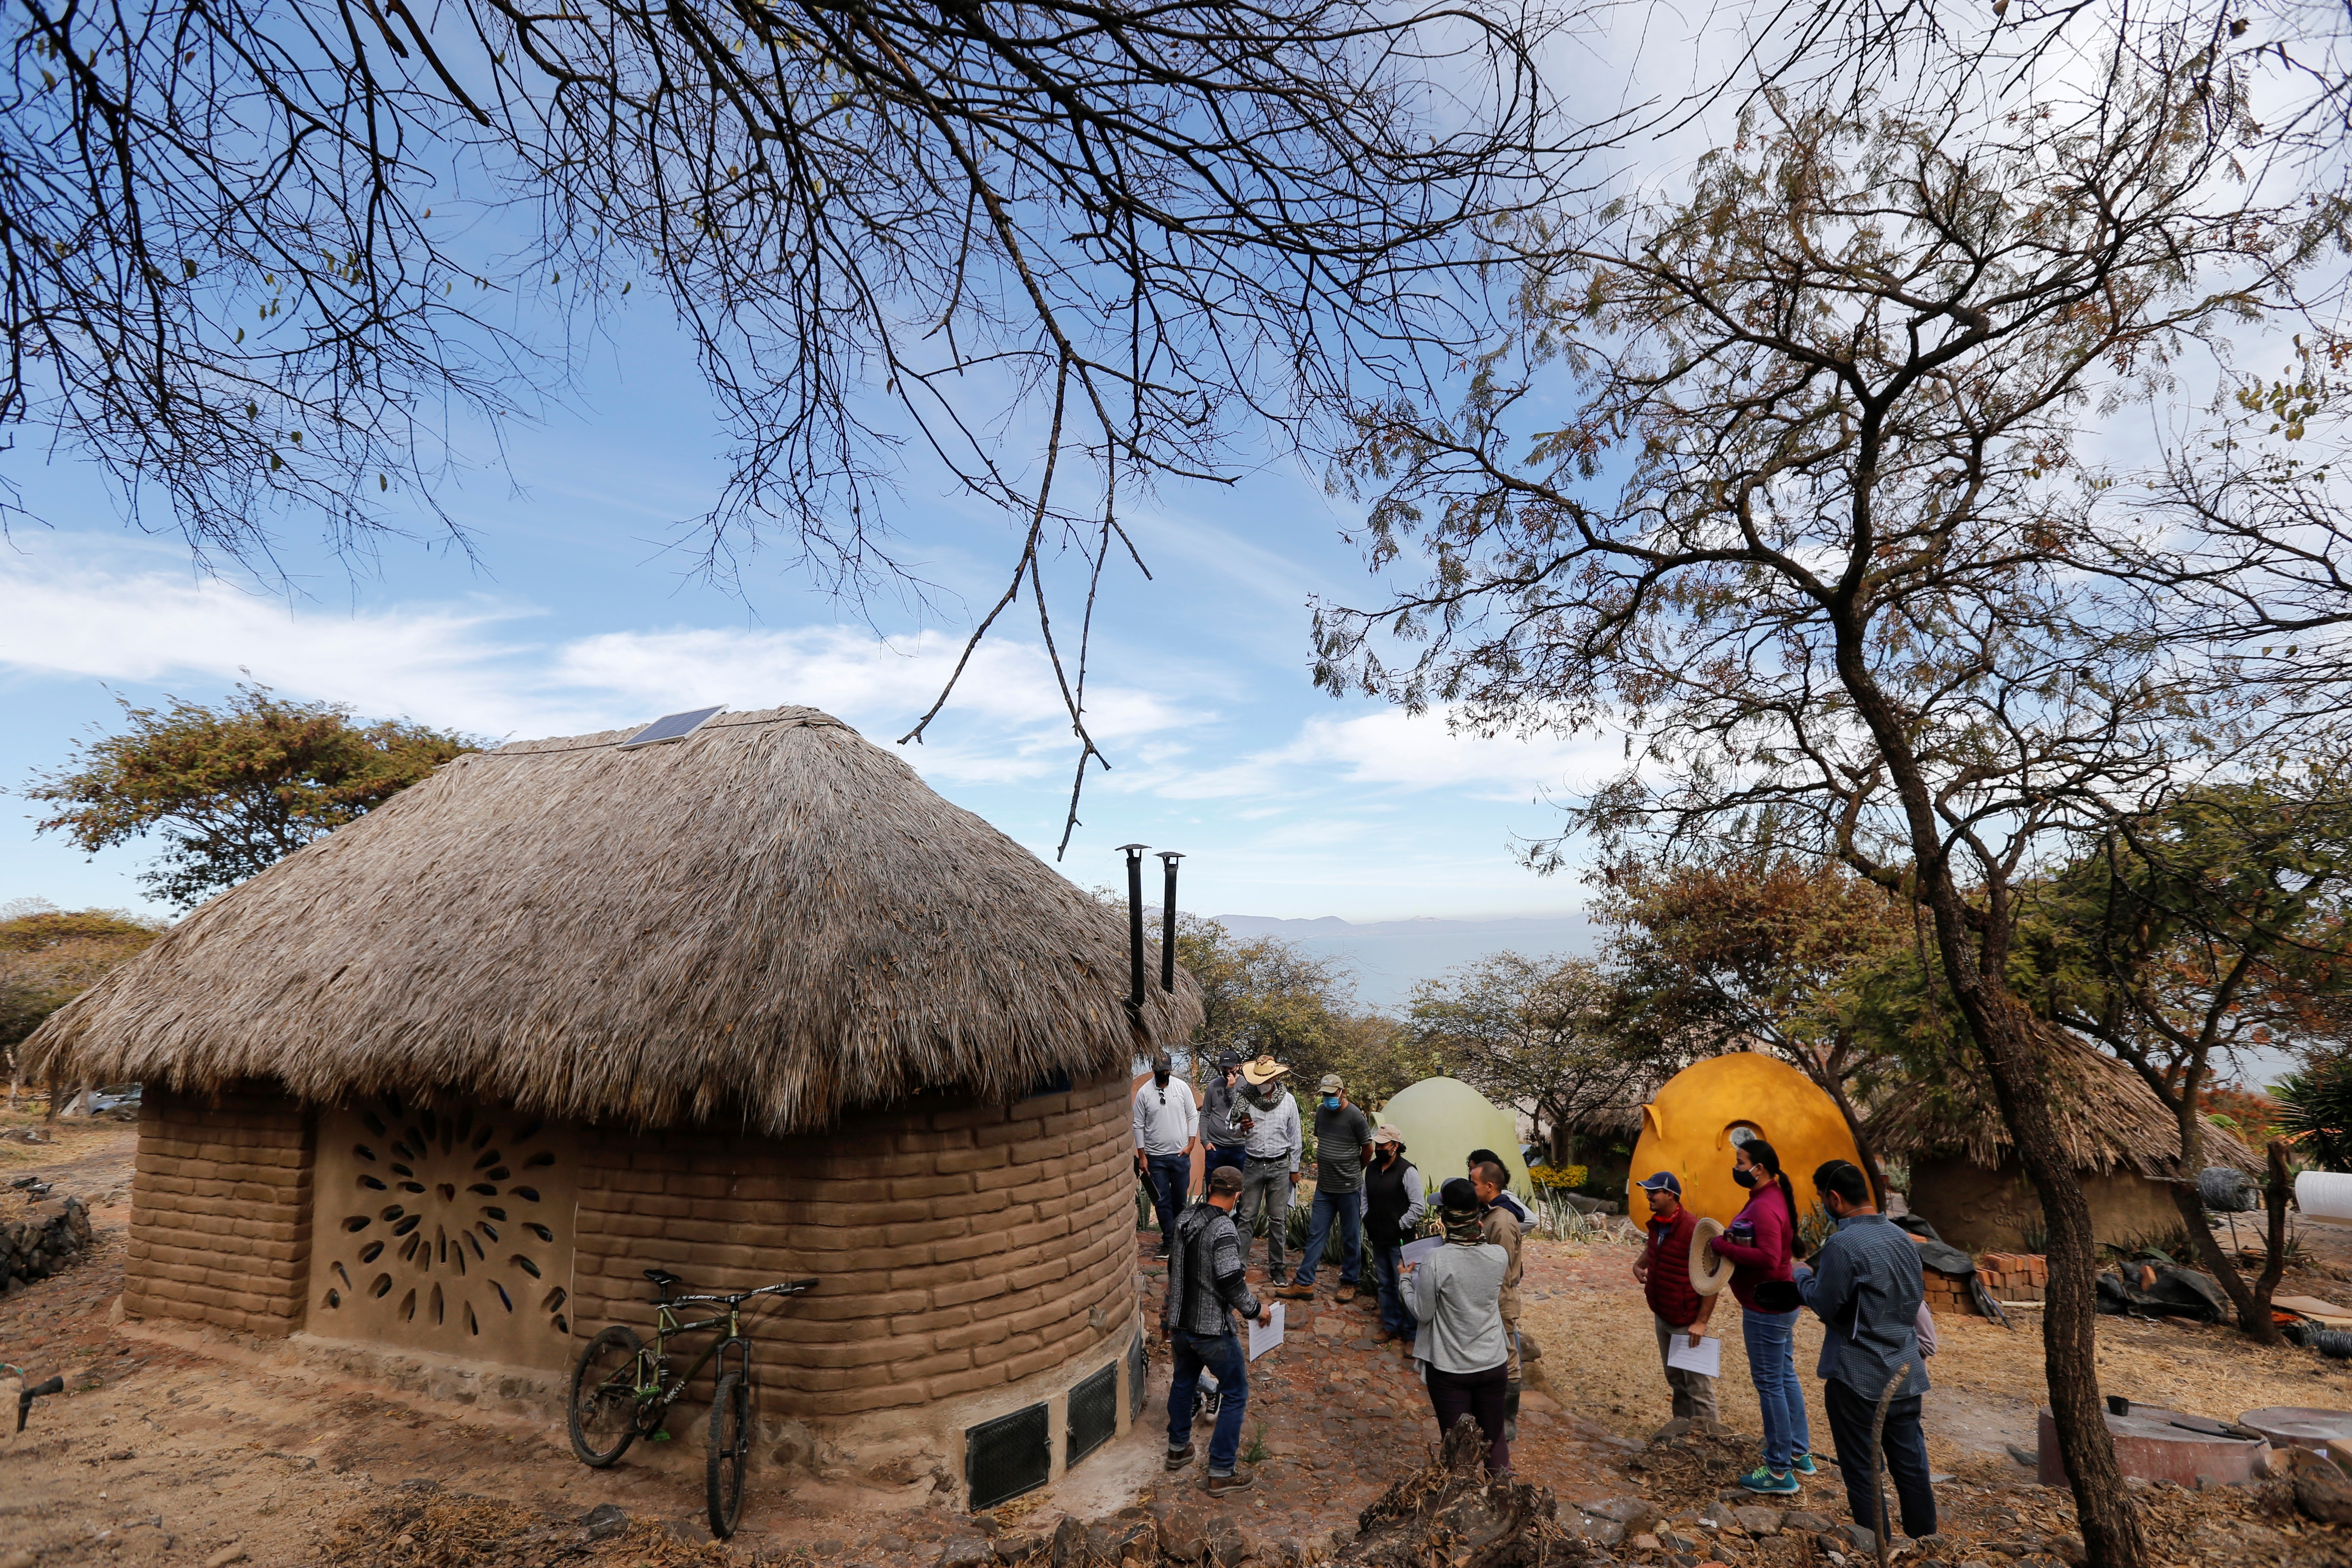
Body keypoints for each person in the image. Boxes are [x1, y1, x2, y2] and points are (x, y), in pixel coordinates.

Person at [1795, 1159, 1937, 1545]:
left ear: (1834, 1198)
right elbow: (1915, 1301)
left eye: (1823, 1197)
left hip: (1858, 1376)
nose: (1824, 1204)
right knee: (1911, 1466)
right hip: (1906, 1371)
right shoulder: (1902, 1239)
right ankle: (1928, 1545)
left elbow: (1825, 1303)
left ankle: (1878, 1547)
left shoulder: (1843, 1244)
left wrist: (1802, 1279)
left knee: (1861, 1469)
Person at [1707, 1136, 1814, 1495]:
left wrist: (1722, 1245)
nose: (1736, 1168)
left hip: (1766, 1307)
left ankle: (1779, 1470)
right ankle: (1799, 1453)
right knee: (1784, 1377)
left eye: (1740, 1162)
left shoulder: (1766, 1206)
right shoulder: (1770, 1198)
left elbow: (1768, 1257)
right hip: (1780, 1301)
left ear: (1759, 1168)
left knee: (1771, 1384)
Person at [1164, 1163, 1276, 1496]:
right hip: (1211, 1329)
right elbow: (1230, 1280)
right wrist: (1258, 1311)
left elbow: (1173, 1268)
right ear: (1238, 1195)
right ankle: (1221, 1471)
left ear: (1211, 1188)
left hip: (1181, 1324)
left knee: (1183, 1382)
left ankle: (1178, 1449)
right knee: (1237, 1391)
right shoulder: (1224, 1229)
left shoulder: (1185, 1218)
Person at [1407, 1177, 1512, 1473]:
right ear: (1476, 1215)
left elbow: (1423, 1313)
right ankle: (1504, 1499)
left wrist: (1405, 1280)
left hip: (1451, 1368)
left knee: (1458, 1449)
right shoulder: (1498, 1255)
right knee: (1495, 1438)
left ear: (1446, 1218)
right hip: (1493, 1362)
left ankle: (1462, 1506)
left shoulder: (1436, 1260)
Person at [1631, 1170, 1719, 1440]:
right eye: (1648, 1191)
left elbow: (1713, 1278)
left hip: (1687, 1321)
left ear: (1671, 1195)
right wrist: (1639, 1264)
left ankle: (1712, 1443)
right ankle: (1682, 1435)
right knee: (1677, 1382)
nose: (1649, 1196)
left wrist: (1701, 1322)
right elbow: (1655, 1247)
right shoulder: (1658, 1224)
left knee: (1699, 1389)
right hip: (1663, 1314)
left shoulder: (1694, 1229)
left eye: (1654, 1192)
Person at [1274, 1075, 1373, 1304]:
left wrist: (1356, 1169)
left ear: (1342, 1092)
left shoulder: (1355, 1116)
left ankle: (1350, 1282)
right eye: (1325, 1095)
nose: (1328, 1098)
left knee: (1351, 1237)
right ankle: (1304, 1283)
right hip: (1325, 1188)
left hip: (1349, 1188)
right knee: (1316, 1235)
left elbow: (1368, 1148)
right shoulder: (1321, 1112)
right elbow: (1323, 1138)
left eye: (1332, 1094)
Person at [1469, 1159, 1525, 1436]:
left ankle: (1507, 1420)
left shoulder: (1502, 1221)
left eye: (1474, 1183)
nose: (1471, 1187)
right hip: (1492, 1296)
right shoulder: (1490, 1214)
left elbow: (1501, 1269)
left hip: (1500, 1298)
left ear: (1490, 1187)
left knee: (1509, 1357)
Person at [1234, 1054, 1302, 1277]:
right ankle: (1240, 1266)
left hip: (1279, 1166)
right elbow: (1230, 1125)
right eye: (1258, 1081)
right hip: (1253, 1165)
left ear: (1274, 1079)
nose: (1261, 1085)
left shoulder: (1288, 1101)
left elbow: (1296, 1137)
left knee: (1278, 1218)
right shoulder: (1243, 1098)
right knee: (1246, 1217)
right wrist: (1241, 1129)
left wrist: (1295, 1169)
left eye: (1265, 1080)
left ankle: (1277, 1267)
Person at [1363, 1126, 1426, 1343]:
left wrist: (1399, 1225)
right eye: (1377, 1144)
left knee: (1406, 1283)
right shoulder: (1371, 1169)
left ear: (1395, 1147)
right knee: (1384, 1283)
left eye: (1383, 1145)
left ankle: (1411, 1334)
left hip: (1400, 1241)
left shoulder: (1407, 1171)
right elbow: (1365, 1196)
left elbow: (1419, 1206)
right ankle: (1391, 1325)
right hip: (1378, 1237)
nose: (1378, 1148)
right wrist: (1366, 1217)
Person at [1133, 1051, 1200, 1258]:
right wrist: (1142, 1156)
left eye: (1167, 1070)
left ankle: (1180, 1242)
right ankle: (1169, 1242)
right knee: (1161, 1201)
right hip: (1155, 1157)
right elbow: (1138, 1125)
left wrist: (1191, 1145)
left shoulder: (1181, 1088)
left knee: (1180, 1201)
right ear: (1154, 1070)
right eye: (1161, 1071)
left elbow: (1193, 1115)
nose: (1165, 1073)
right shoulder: (1144, 1093)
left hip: (1180, 1156)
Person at [1199, 1052, 1252, 1185]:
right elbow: (1205, 1113)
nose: (1228, 1072)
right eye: (1224, 1069)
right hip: (1216, 1147)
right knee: (1214, 1186)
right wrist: (1205, 1141)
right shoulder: (1213, 1085)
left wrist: (1231, 1089)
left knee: (1239, 1187)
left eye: (1231, 1069)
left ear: (1238, 1067)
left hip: (1239, 1147)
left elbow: (1239, 1111)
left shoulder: (1247, 1085)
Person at [1466, 1149, 1531, 1225]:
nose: (1471, 1173)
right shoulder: (1485, 1202)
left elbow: (1531, 1221)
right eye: (1470, 1169)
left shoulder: (1502, 1196)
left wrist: (1499, 1227)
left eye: (1475, 1168)